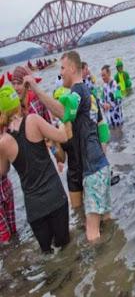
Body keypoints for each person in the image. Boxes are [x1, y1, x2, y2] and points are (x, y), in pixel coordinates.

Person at [23, 51, 111, 242]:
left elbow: (63, 112)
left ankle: (103, 269)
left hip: (93, 170)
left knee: (92, 233)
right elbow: (101, 130)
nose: (61, 72)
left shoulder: (77, 91)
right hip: (101, 166)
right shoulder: (87, 91)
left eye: (62, 68)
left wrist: (36, 90)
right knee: (107, 221)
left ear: (72, 68)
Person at [0, 85, 70, 253]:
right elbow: (63, 136)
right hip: (55, 197)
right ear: (17, 104)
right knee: (67, 248)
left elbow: (2, 171)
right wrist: (61, 124)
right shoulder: (33, 120)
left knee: (47, 254)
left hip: (35, 208)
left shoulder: (3, 142)